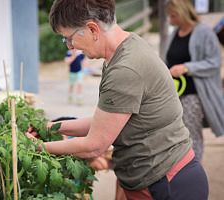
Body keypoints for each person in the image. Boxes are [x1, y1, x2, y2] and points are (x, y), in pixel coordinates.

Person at [26, 0, 209, 199]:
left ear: (92, 29)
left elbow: (95, 146)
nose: (70, 46)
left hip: (167, 185)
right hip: (162, 180)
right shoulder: (122, 50)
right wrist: (51, 127)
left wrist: (36, 147)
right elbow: (105, 123)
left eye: (68, 39)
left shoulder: (125, 69)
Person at [165, 0, 224, 161]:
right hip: (175, 93)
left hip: (195, 94)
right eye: (170, 17)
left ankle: (193, 172)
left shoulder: (204, 32)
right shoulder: (175, 32)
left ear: (184, 13)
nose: (171, 20)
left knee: (191, 135)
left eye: (174, 16)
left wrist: (187, 67)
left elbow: (214, 62)